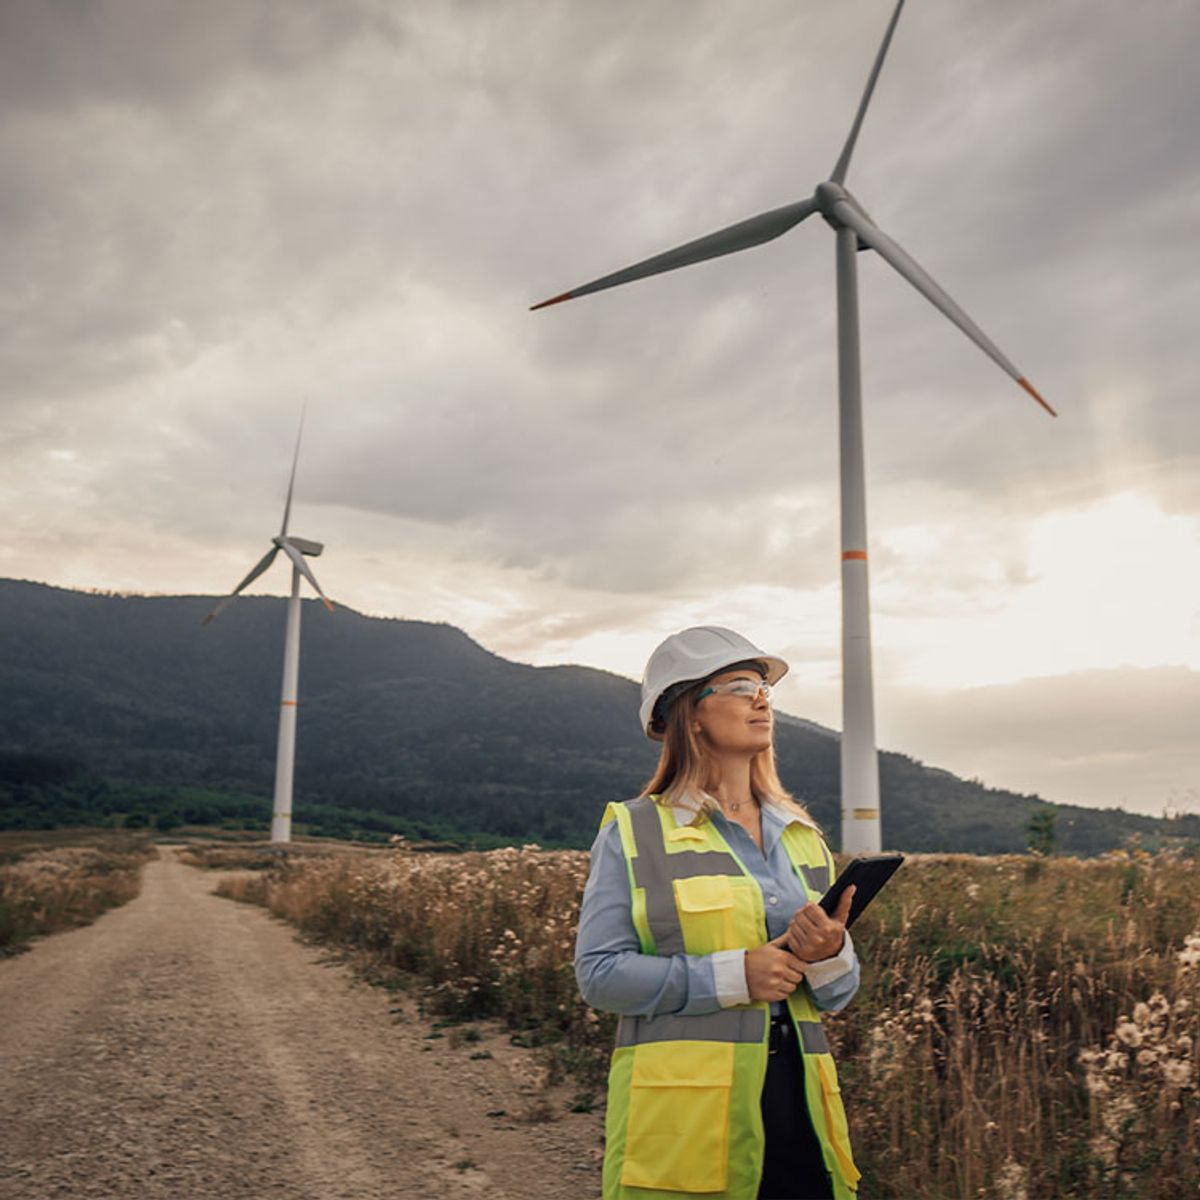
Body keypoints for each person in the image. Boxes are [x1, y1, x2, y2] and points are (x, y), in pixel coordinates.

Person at [575, 626, 862, 1200]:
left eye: (764, 688)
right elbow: (600, 975)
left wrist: (828, 956)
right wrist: (735, 976)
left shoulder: (803, 836)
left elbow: (836, 994)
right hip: (689, 1119)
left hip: (802, 1107)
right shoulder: (636, 831)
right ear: (690, 713)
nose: (761, 698)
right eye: (738, 685)